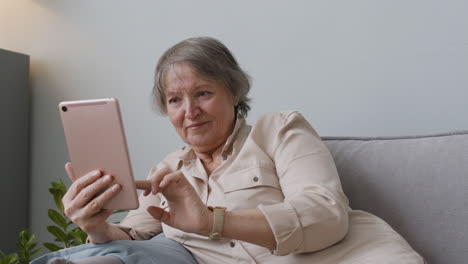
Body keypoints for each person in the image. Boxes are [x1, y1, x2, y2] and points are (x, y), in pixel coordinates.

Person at [32, 37, 425, 264]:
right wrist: (96, 224)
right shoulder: (169, 168)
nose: (190, 112)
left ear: (234, 92)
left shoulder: (279, 130)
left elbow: (325, 214)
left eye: (203, 93)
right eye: (174, 100)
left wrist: (212, 222)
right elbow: (134, 237)